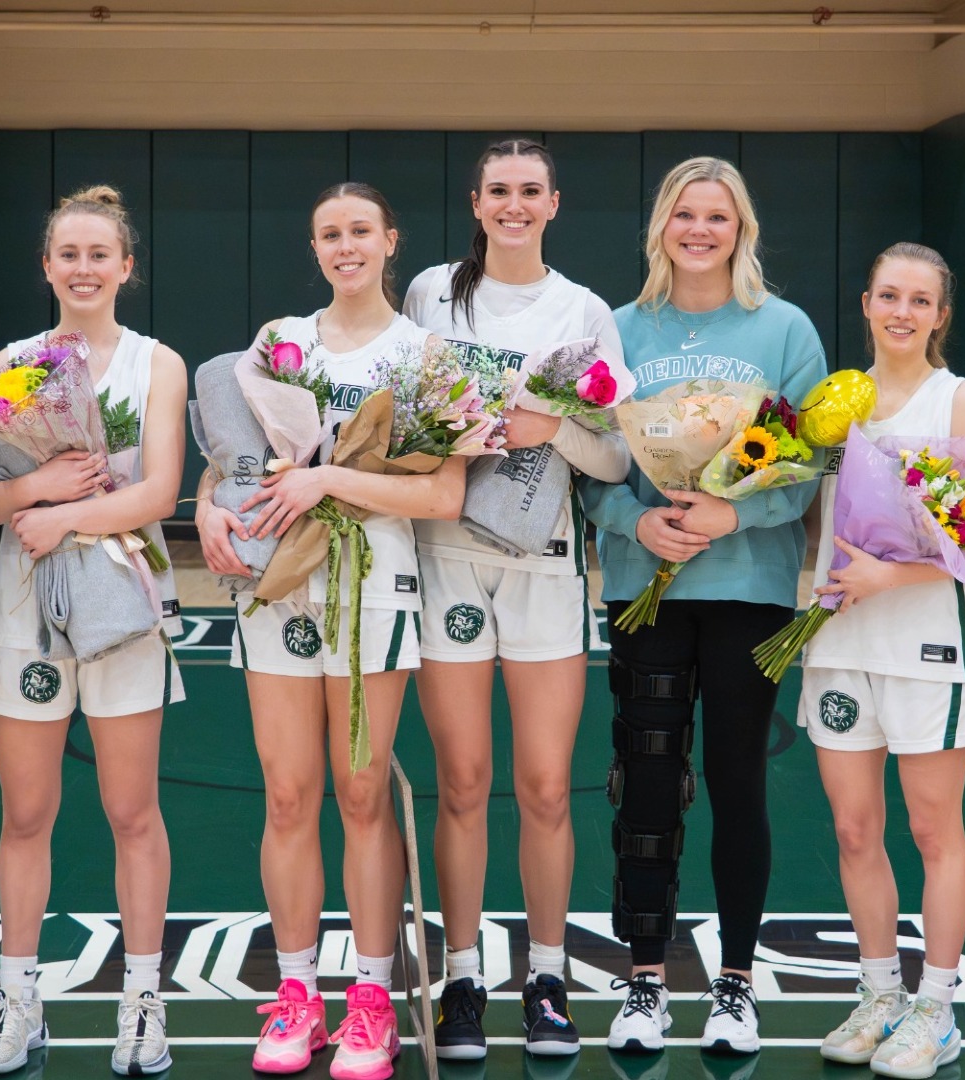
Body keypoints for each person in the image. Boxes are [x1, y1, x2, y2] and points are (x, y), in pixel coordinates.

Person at [196, 181, 468, 1080]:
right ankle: (299, 992)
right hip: (278, 581)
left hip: (373, 583)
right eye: (329, 234)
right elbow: (235, 465)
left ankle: (372, 999)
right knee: (286, 794)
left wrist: (330, 485)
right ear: (314, 247)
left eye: (360, 231)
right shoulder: (279, 344)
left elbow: (440, 494)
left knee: (359, 794)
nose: (345, 246)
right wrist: (207, 508)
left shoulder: (425, 352)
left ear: (391, 240)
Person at [576, 156, 826, 1056]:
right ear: (662, 228)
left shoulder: (785, 329)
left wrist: (733, 510)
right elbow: (591, 464)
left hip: (748, 589)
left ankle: (735, 982)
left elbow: (805, 474)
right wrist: (634, 524)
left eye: (717, 217)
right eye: (685, 215)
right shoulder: (618, 328)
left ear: (741, 229)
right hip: (646, 590)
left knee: (736, 782)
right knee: (643, 782)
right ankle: (643, 979)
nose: (700, 230)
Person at [401, 137, 629, 1061]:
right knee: (462, 784)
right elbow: (402, 414)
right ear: (477, 200)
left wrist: (555, 427)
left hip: (545, 564)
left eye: (530, 191)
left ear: (554, 203)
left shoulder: (583, 309)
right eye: (500, 190)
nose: (514, 205)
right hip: (447, 554)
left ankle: (546, 977)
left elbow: (617, 457)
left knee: (542, 787)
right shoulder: (428, 295)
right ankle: (463, 977)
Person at [0, 183, 187, 1077]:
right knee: (26, 814)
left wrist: (69, 520)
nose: (84, 268)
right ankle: (19, 1002)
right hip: (26, 608)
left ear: (125, 267)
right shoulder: (12, 364)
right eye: (69, 254)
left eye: (101, 254)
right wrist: (36, 493)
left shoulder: (156, 364)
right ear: (47, 266)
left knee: (132, 812)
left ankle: (142, 1001)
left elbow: (160, 493)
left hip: (125, 606)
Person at [804, 243, 965, 1078]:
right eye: (889, 295)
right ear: (867, 301)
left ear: (940, 315)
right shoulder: (832, 404)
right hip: (838, 637)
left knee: (931, 829)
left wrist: (894, 573)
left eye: (921, 300)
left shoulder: (960, 402)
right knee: (854, 828)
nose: (903, 312)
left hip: (927, 642)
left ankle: (936, 1007)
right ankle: (880, 993)